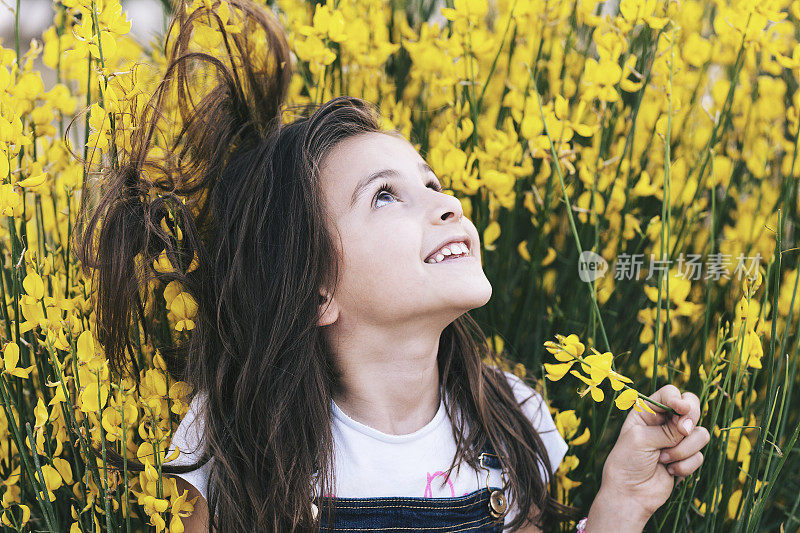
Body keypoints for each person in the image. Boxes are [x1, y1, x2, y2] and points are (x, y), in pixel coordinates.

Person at [74, 0, 710, 531]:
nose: (446, 203)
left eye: (433, 184)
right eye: (385, 195)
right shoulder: (233, 441)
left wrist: (623, 500)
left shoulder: (508, 420)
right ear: (316, 289)